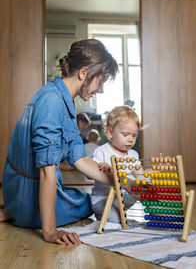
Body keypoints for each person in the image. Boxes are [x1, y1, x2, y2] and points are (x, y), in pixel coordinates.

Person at [0, 39, 118, 245]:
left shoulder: (63, 100)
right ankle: (21, 213)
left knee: (84, 199)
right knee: (88, 203)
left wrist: (122, 182)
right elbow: (47, 170)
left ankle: (15, 211)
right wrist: (51, 232)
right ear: (84, 73)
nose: (101, 90)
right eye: (100, 82)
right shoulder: (51, 101)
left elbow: (79, 159)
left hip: (24, 190)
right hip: (27, 193)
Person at [91, 105, 143, 223]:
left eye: (134, 135)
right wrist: (101, 169)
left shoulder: (133, 154)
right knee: (115, 221)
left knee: (143, 188)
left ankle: (118, 216)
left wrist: (153, 174)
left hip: (123, 198)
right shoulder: (102, 151)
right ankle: (107, 216)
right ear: (110, 132)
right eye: (125, 135)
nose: (130, 139)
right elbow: (90, 174)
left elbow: (140, 176)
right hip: (103, 199)